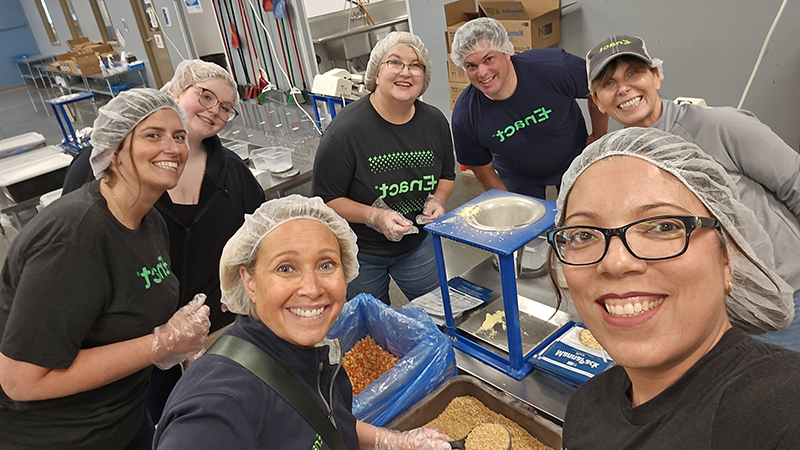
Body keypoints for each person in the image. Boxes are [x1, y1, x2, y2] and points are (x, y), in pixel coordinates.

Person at [546, 128, 800, 449]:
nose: (615, 262)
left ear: (727, 255)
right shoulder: (585, 406)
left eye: (664, 226)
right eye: (584, 234)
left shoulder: (782, 410)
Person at [0, 89, 211, 450]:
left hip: (126, 418)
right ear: (113, 152)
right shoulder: (74, 239)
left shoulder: (149, 221)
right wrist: (160, 343)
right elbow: (22, 380)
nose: (173, 147)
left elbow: (130, 301)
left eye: (179, 136)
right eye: (152, 135)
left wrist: (182, 341)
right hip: (63, 437)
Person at [154, 195, 451, 450]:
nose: (311, 288)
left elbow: (327, 423)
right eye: (286, 268)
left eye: (326, 264)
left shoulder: (309, 353)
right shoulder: (218, 406)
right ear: (249, 281)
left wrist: (392, 441)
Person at [585, 35, 800, 351]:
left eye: (634, 73)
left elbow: (795, 182)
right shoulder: (624, 163)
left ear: (656, 76)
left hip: (786, 294)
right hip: (717, 307)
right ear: (598, 101)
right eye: (608, 83)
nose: (623, 88)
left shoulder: (720, 126)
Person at [149, 59, 266, 421]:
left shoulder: (231, 172)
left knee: (221, 413)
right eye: (205, 96)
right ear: (176, 91)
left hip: (218, 328)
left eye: (226, 107)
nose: (215, 110)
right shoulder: (131, 163)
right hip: (144, 336)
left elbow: (262, 234)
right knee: (162, 417)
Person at [312, 32, 455, 304]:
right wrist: (375, 217)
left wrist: (438, 198)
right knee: (373, 330)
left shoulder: (434, 123)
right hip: (362, 251)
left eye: (416, 65)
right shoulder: (347, 131)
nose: (406, 71)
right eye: (395, 62)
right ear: (376, 74)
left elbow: (447, 176)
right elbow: (327, 199)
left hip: (418, 246)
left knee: (440, 313)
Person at [449, 17, 608, 199]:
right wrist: (512, 206)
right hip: (518, 177)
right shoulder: (465, 116)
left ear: (506, 52)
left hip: (574, 160)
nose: (482, 72)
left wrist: (598, 136)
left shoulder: (554, 68)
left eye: (489, 59)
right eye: (472, 66)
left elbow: (597, 87)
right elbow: (483, 170)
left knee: (582, 219)